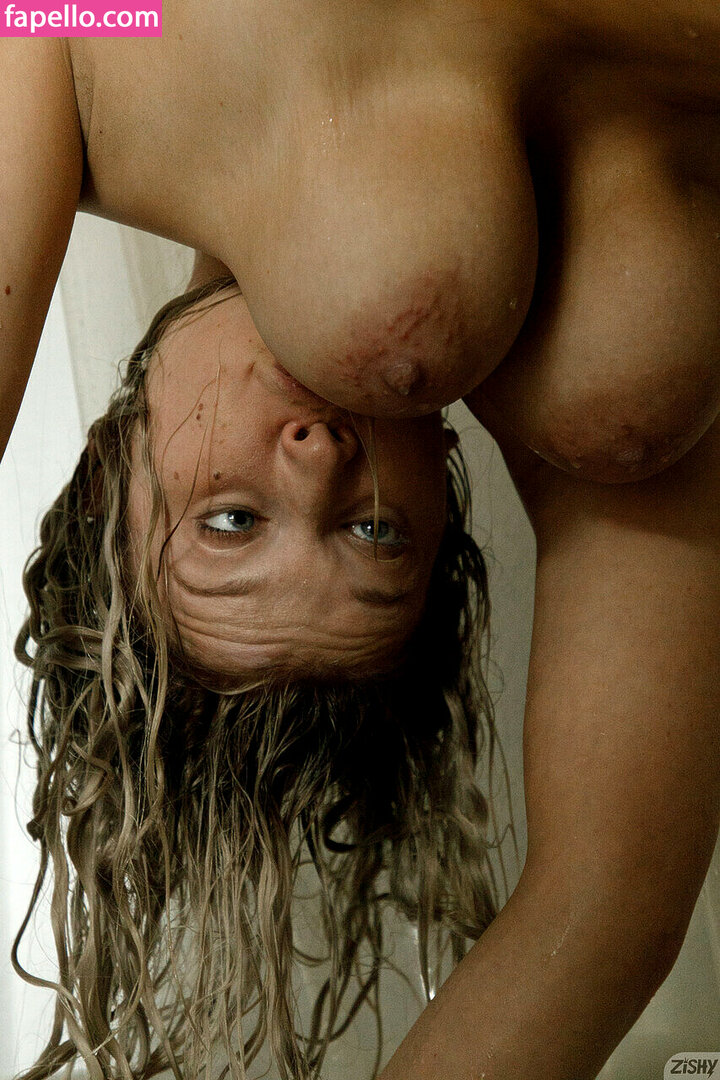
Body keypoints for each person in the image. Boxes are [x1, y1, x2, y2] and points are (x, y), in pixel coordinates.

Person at [3, 2, 720, 1076]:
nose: (319, 461)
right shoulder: (588, 401)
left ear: (111, 469)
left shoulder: (84, 52)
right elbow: (601, 908)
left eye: (232, 522)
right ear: (443, 492)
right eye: (377, 532)